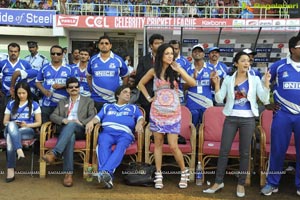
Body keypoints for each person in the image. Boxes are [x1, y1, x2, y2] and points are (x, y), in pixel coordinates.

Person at [203, 51, 271, 197]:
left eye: (248, 61)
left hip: (248, 119)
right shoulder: (228, 79)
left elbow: (265, 99)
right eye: (243, 60)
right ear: (236, 63)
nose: (247, 63)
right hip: (231, 118)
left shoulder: (255, 79)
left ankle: (241, 184)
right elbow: (220, 98)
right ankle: (218, 181)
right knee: (224, 151)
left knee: (245, 153)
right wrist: (216, 84)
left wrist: (266, 84)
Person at [138, 43, 197, 189]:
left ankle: (184, 172)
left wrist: (180, 69)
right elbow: (140, 84)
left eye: (172, 53)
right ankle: (158, 175)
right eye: (167, 53)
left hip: (173, 114)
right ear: (161, 56)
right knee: (158, 145)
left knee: (173, 145)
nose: (170, 56)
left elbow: (192, 82)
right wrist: (149, 97)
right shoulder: (153, 71)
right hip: (157, 113)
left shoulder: (176, 70)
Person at [260, 35, 300, 196]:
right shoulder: (279, 66)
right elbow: (264, 84)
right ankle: (272, 183)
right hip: (283, 114)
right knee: (277, 150)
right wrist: (267, 103)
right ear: (292, 49)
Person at [85, 85, 144, 189]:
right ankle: (107, 177)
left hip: (125, 134)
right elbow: (97, 118)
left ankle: (105, 171)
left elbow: (141, 118)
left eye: (129, 93)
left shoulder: (133, 108)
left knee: (121, 147)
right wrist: (91, 122)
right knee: (102, 144)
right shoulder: (107, 106)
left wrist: (139, 123)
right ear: (118, 95)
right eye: (125, 92)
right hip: (107, 132)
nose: (128, 94)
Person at [42, 77, 96, 187]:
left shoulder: (88, 101)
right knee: (70, 137)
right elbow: (53, 115)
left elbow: (93, 115)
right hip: (66, 129)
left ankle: (55, 153)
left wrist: (81, 121)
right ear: (67, 90)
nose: (74, 88)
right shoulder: (63, 102)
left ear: (79, 88)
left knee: (72, 125)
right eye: (71, 87)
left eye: (76, 86)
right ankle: (68, 174)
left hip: (81, 129)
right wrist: (63, 120)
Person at [3, 81, 42, 182]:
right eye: (19, 93)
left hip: (27, 130)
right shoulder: (11, 104)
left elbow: (39, 122)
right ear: (16, 93)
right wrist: (13, 123)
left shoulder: (34, 104)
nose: (21, 95)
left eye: (23, 93)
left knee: (10, 137)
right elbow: (5, 122)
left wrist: (27, 124)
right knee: (11, 124)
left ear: (28, 92)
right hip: (11, 129)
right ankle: (19, 149)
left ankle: (10, 169)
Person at [87, 35, 129, 112]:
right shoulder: (93, 60)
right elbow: (89, 76)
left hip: (113, 99)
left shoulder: (118, 60)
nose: (104, 45)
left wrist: (121, 90)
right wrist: (92, 89)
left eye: (106, 43)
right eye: (102, 43)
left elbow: (125, 76)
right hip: (96, 99)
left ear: (110, 46)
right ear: (98, 45)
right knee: (96, 122)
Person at [36, 45, 72, 123]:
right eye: (53, 53)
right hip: (47, 103)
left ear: (62, 55)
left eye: (58, 54)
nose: (55, 55)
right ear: (50, 54)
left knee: (61, 126)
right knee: (45, 126)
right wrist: (44, 91)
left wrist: (62, 86)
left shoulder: (69, 68)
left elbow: (74, 83)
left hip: (63, 103)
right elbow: (38, 81)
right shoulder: (45, 67)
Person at [135, 34, 164, 121]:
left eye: (161, 43)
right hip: (146, 97)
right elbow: (138, 78)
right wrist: (151, 73)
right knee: (147, 123)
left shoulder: (166, 59)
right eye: (157, 43)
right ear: (151, 45)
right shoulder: (143, 59)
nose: (159, 45)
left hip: (162, 98)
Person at [185, 44, 213, 127]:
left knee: (207, 128)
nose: (197, 53)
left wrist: (213, 81)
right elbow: (183, 87)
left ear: (204, 54)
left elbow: (215, 87)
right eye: (195, 51)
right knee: (191, 128)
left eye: (199, 51)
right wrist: (192, 78)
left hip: (207, 102)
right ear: (192, 54)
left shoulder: (211, 68)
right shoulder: (187, 69)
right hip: (192, 103)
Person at [169, 40, 191, 104]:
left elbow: (188, 78)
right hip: (165, 91)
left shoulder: (185, 61)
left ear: (179, 49)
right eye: (172, 48)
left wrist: (180, 73)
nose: (173, 50)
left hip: (179, 91)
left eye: (176, 48)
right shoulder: (163, 60)